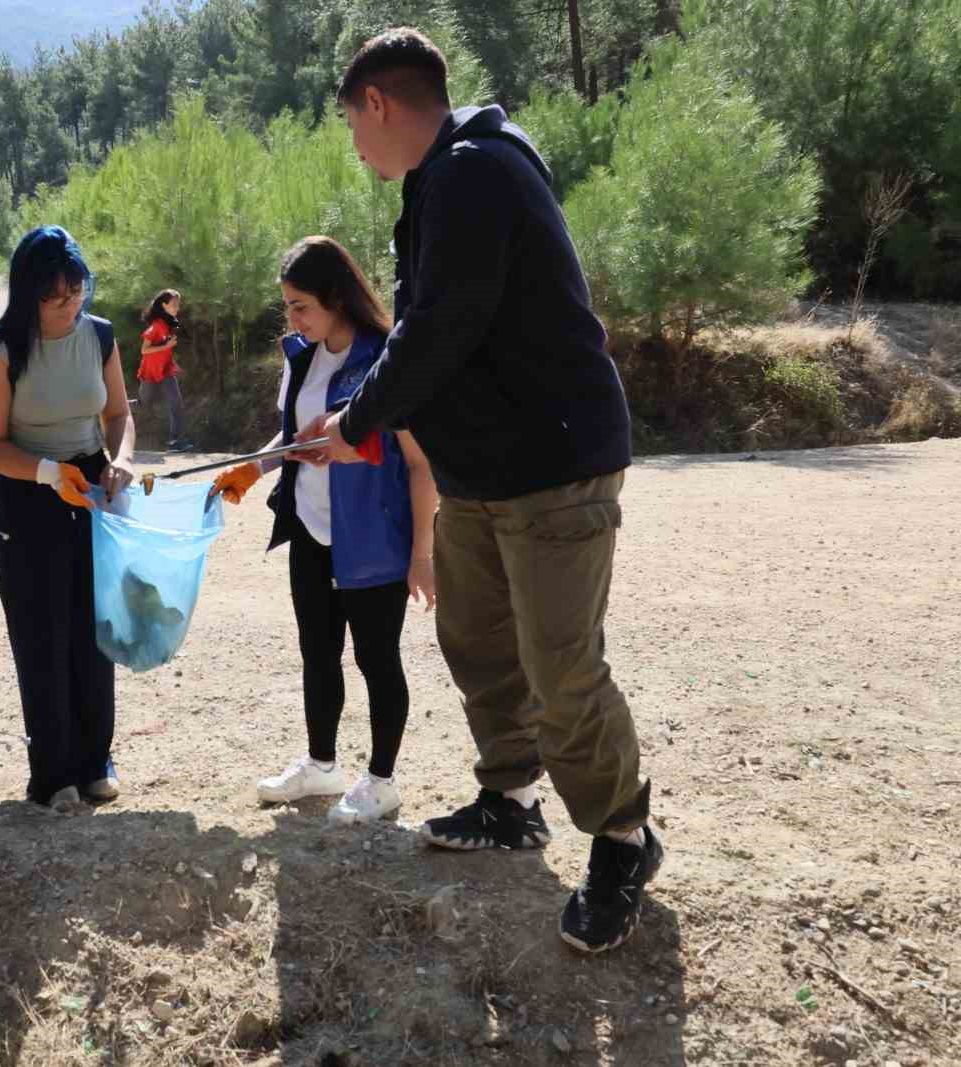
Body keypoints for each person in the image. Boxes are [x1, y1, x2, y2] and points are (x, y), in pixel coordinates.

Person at [298, 29, 658, 954]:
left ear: (378, 102)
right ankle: (511, 798)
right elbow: (443, 335)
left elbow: (439, 328)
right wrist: (360, 424)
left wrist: (357, 420)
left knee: (560, 664)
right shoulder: (446, 180)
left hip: (554, 465)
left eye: (351, 124)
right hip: (485, 475)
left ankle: (623, 837)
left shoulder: (473, 172)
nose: (355, 146)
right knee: (475, 637)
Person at [210, 238, 436, 824]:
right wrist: (253, 468)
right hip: (310, 529)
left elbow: (419, 461)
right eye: (286, 306)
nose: (292, 319)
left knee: (377, 658)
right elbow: (294, 440)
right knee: (318, 652)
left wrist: (423, 552)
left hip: (373, 538)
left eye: (301, 306)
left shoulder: (389, 360)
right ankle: (321, 765)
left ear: (336, 299)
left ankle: (381, 780)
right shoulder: (302, 358)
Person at [0, 226, 136, 811]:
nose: (70, 306)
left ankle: (96, 760)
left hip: (92, 489)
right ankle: (53, 773)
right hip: (29, 494)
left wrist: (118, 461)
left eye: (77, 292)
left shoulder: (100, 336)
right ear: (28, 293)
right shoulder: (0, 352)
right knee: (42, 636)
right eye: (55, 296)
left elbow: (118, 413)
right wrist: (46, 473)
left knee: (95, 632)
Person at [135, 289, 192, 451]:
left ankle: (176, 441)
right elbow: (144, 350)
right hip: (150, 371)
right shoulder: (157, 325)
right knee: (142, 405)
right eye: (174, 304)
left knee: (176, 403)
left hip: (166, 369)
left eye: (178, 305)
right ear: (164, 305)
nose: (177, 308)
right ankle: (118, 407)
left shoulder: (170, 323)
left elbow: (166, 348)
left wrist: (171, 358)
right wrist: (166, 345)